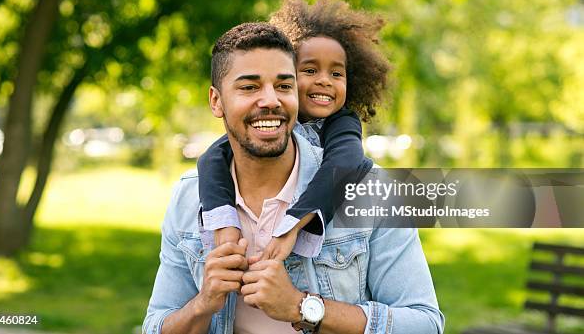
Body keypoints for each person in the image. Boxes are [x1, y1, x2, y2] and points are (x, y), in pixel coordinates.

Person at [143, 22, 444, 334]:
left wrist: (304, 307)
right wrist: (202, 303)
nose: (271, 100)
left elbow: (425, 324)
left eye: (284, 86)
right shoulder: (188, 198)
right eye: (249, 87)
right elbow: (155, 326)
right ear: (216, 101)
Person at [197, 0, 391, 261]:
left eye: (337, 73)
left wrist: (296, 222)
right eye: (310, 71)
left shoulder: (342, 123)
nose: (324, 80)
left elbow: (345, 164)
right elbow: (212, 158)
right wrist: (224, 222)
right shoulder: (272, 121)